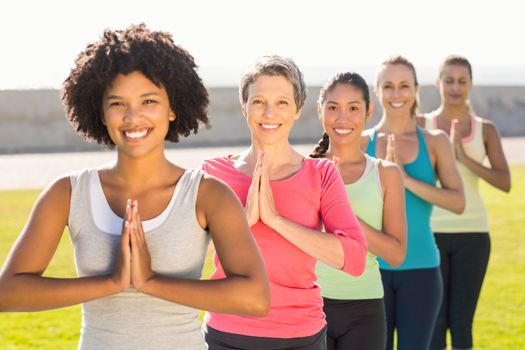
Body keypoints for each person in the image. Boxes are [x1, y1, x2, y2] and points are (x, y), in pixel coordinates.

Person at [0, 24, 269, 350]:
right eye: (117, 103)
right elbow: (8, 293)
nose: (132, 116)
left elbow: (255, 298)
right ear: (100, 112)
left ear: (172, 108)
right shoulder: (68, 193)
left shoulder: (208, 195)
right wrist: (113, 282)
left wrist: (150, 282)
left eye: (148, 100)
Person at [200, 56, 368, 350]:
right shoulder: (213, 172)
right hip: (226, 334)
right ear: (244, 108)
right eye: (259, 101)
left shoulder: (321, 174)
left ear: (297, 110)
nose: (269, 113)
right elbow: (188, 256)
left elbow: (354, 260)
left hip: (300, 337)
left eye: (281, 102)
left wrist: (276, 219)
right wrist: (245, 220)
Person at [363, 56, 465, 350]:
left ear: (417, 89)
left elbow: (457, 202)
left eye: (405, 85)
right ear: (377, 90)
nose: (397, 94)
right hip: (370, 271)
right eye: (389, 86)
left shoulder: (435, 141)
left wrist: (404, 179)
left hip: (421, 270)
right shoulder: (359, 142)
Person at [418, 55, 511, 350]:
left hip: (474, 235)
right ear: (438, 83)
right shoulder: (423, 125)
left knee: (461, 322)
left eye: (461, 81)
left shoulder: (486, 130)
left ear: (470, 84)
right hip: (430, 235)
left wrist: (464, 158)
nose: (455, 87)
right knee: (434, 320)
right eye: (449, 80)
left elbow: (504, 182)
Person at [310, 71, 407, 350]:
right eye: (333, 108)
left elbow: (396, 253)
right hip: (309, 307)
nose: (343, 118)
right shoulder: (304, 171)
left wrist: (341, 207)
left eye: (353, 108)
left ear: (368, 111)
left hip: (365, 310)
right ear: (320, 111)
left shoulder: (386, 174)